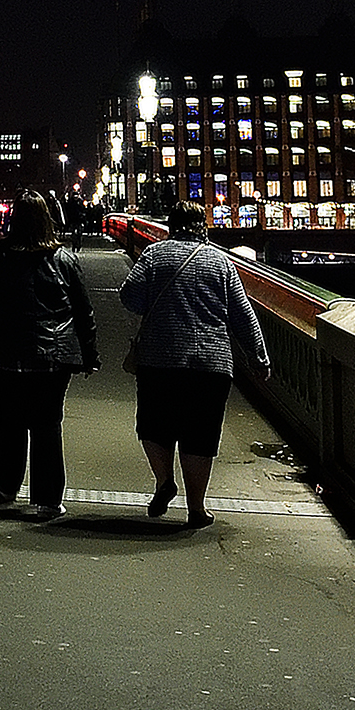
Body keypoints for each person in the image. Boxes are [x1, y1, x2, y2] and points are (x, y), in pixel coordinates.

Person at [118, 199, 271, 529]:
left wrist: (157, 303)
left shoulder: (154, 255)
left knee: (154, 425)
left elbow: (128, 295)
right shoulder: (220, 261)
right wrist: (259, 357)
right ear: (203, 226)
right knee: (200, 435)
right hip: (210, 363)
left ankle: (163, 480)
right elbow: (242, 314)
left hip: (160, 358)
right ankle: (196, 509)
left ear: (171, 224)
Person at [0, 190, 97, 518]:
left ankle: (6, 487)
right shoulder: (63, 259)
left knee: (9, 419)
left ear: (14, 219)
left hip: (5, 352)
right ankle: (47, 499)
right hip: (53, 355)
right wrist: (89, 353)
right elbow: (82, 311)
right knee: (48, 424)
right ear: (47, 220)